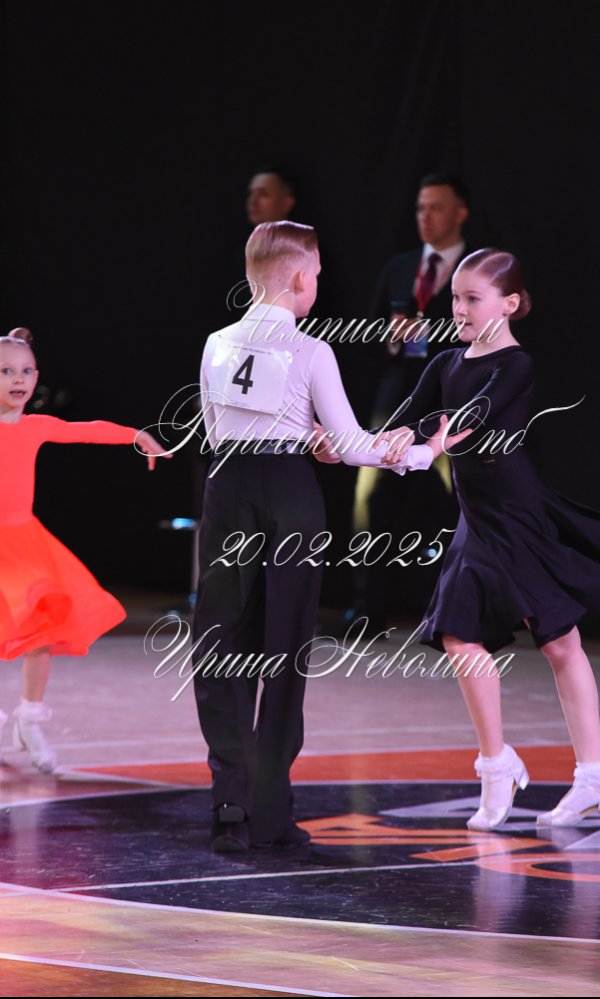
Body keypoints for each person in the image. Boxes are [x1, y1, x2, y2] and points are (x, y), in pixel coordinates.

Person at [374, 249, 600, 830]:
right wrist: (353, 442)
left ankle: (594, 774)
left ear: (508, 304)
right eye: (455, 298)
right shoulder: (445, 362)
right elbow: (403, 418)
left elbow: (476, 414)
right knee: (459, 636)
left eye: (472, 299)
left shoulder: (516, 364)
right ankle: (497, 764)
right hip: (477, 518)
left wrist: (429, 447)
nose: (459, 309)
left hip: (518, 514)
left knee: (558, 642)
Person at [193, 220, 441, 854]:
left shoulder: (216, 342)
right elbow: (354, 445)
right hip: (290, 496)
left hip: (228, 489)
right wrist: (420, 453)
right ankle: (271, 810)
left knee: (221, 643)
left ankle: (230, 806)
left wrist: (297, 434)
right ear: (302, 277)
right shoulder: (311, 350)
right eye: (318, 275)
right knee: (284, 647)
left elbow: (218, 429)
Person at [0, 328, 168, 772]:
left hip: (24, 543)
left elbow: (86, 431)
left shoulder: (34, 426)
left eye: (26, 371)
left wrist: (136, 436)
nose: (18, 379)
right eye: (6, 371)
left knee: (41, 629)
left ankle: (29, 719)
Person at [346, 175, 471, 631]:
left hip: (452, 397)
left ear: (460, 213)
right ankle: (366, 607)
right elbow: (368, 338)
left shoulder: (476, 269)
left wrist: (432, 333)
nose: (425, 217)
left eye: (436, 207)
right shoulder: (399, 267)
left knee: (461, 496)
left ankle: (461, 609)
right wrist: (393, 338)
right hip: (397, 398)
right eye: (420, 208)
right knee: (368, 494)